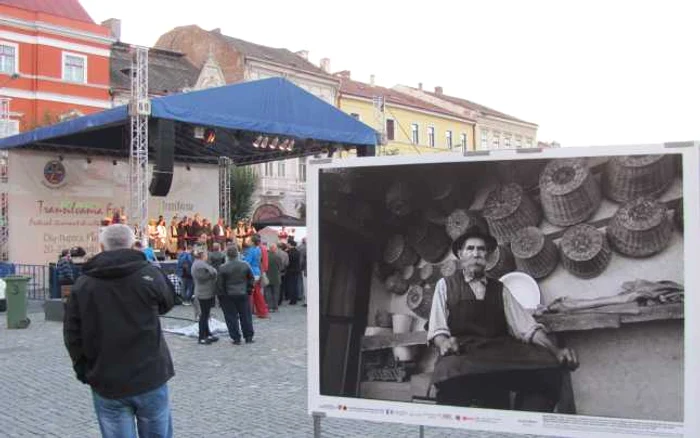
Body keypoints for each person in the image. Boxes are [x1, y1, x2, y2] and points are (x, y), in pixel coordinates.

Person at [428, 226, 578, 411]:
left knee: (548, 368)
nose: (476, 254)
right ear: (460, 254)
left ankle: (524, 424)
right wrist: (444, 343)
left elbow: (526, 327)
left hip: (498, 352)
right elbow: (437, 329)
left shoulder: (500, 288)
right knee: (449, 373)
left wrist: (556, 351)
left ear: (487, 257)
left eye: (481, 249)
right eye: (470, 248)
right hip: (465, 352)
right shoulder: (445, 285)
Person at [63, 224, 175, 437]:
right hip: (150, 374)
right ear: (133, 245)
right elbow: (168, 301)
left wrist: (83, 368)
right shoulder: (149, 273)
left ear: (101, 246)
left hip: (107, 378)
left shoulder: (84, 284)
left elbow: (72, 334)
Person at [216, 246, 255, 345]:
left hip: (228, 295)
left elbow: (219, 284)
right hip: (243, 293)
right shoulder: (245, 265)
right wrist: (249, 290)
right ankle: (248, 336)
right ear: (237, 254)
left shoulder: (223, 267)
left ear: (227, 255)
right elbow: (251, 278)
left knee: (231, 317)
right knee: (246, 316)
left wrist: (222, 296)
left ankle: (236, 338)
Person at [192, 248, 219, 345]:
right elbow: (203, 277)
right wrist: (214, 272)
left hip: (206, 292)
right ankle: (202, 337)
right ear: (202, 255)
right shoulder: (199, 265)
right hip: (203, 293)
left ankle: (207, 334)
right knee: (203, 315)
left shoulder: (201, 263)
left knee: (206, 314)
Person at [242, 235, 269, 318]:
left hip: (252, 272)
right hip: (257, 272)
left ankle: (248, 313)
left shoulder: (251, 250)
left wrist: (242, 258)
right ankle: (262, 311)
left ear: (253, 242)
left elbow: (247, 262)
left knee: (250, 294)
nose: (248, 241)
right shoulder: (258, 249)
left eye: (249, 240)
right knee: (257, 293)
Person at [265, 243, 282, 312]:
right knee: (276, 293)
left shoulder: (266, 257)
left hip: (267, 277)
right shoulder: (277, 257)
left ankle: (270, 307)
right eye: (275, 248)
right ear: (273, 249)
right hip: (276, 278)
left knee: (268, 293)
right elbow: (280, 267)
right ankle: (275, 307)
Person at [285, 240, 302, 305]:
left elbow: (287, 262)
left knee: (291, 285)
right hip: (296, 270)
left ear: (290, 244)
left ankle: (292, 300)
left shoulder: (289, 252)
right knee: (295, 285)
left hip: (290, 270)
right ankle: (295, 299)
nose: (287, 245)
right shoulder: (297, 252)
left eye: (288, 244)